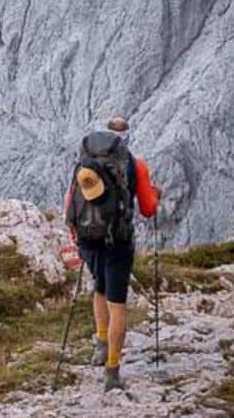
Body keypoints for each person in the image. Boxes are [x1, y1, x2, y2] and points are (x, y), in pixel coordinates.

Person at [64, 115, 160, 391]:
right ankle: (112, 370)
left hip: (88, 240)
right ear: (125, 138)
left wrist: (77, 235)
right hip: (118, 241)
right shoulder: (134, 165)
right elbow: (148, 209)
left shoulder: (85, 165)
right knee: (117, 304)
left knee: (99, 290)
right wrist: (155, 194)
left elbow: (70, 202)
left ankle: (100, 345)